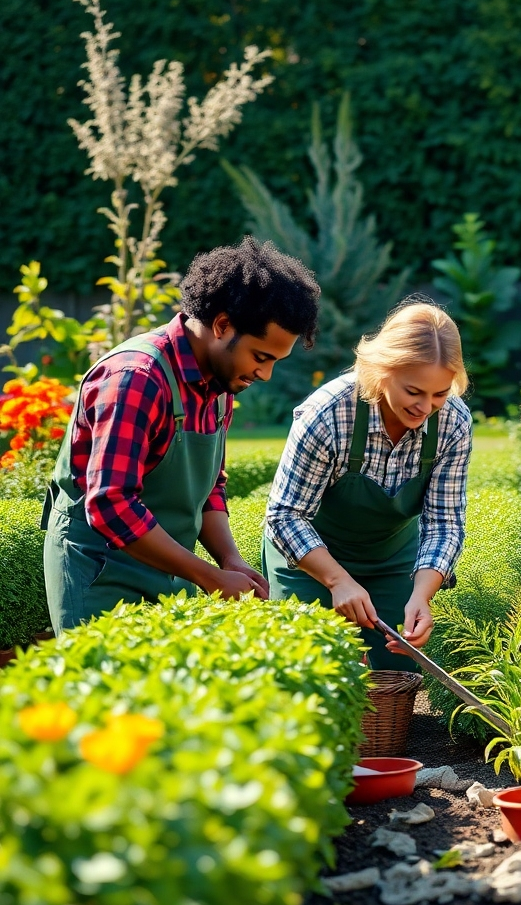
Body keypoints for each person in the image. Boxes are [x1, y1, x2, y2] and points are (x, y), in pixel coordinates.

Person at [43, 236, 321, 636]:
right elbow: (111, 504)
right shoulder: (135, 379)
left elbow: (209, 488)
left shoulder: (221, 385)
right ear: (222, 325)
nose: (265, 374)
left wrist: (230, 560)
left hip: (170, 572)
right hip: (100, 574)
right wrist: (208, 576)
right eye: (261, 357)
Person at [263, 297, 472, 670]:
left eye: (439, 393)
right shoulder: (328, 414)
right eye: (414, 391)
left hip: (391, 560)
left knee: (396, 672)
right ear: (383, 370)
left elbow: (445, 523)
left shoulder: (453, 422)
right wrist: (337, 580)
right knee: (313, 672)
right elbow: (285, 515)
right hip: (310, 559)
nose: (426, 407)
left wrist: (422, 596)